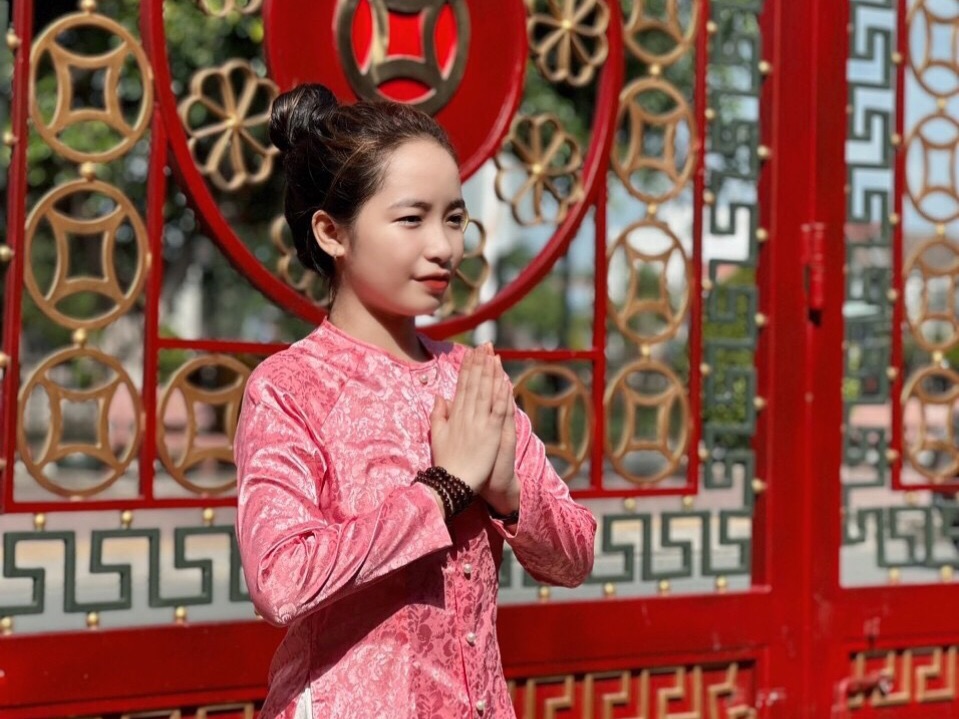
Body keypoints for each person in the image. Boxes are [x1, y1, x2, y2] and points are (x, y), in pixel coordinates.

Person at [234, 83, 597, 719]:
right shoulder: (289, 388)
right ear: (331, 232)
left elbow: (574, 558)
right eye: (412, 219)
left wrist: (509, 493)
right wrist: (444, 489)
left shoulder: (470, 380)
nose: (444, 247)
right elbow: (280, 582)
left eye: (454, 219)